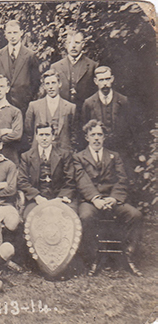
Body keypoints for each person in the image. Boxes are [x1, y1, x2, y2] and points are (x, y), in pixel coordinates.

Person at [73, 120, 142, 277]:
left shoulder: (114, 156)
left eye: (100, 135)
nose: (96, 138)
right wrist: (95, 198)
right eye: (93, 135)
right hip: (90, 201)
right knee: (86, 216)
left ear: (104, 137)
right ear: (87, 137)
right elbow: (81, 180)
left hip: (112, 199)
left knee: (135, 215)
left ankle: (128, 257)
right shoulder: (79, 157)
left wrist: (114, 198)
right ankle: (93, 259)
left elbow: (122, 179)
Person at [18, 122, 77, 220]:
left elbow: (70, 180)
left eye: (47, 135)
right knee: (29, 217)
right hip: (36, 199)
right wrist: (37, 197)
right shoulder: (27, 156)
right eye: (41, 135)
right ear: (36, 137)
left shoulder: (64, 155)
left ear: (53, 137)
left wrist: (60, 198)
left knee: (68, 217)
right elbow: (22, 181)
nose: (44, 138)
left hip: (59, 198)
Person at [80, 66, 133, 152]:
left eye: (107, 79)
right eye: (101, 80)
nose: (105, 83)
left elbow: (130, 128)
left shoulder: (123, 101)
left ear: (112, 79)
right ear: (95, 81)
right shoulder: (88, 103)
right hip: (98, 150)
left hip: (120, 150)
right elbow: (84, 130)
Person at [0, 20, 40, 113]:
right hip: (3, 105)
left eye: (15, 32)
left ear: (21, 33)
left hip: (24, 105)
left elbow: (35, 82)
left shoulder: (30, 55)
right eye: (9, 33)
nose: (12, 36)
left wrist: (28, 98)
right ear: (5, 34)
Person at [25, 69, 77, 152]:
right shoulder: (34, 106)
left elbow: (73, 132)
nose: (50, 87)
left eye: (53, 83)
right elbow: (28, 130)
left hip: (63, 151)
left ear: (59, 84)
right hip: (40, 151)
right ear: (44, 86)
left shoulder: (70, 107)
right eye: (47, 84)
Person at [51, 30, 98, 111]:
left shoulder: (92, 66)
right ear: (66, 45)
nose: (73, 46)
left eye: (77, 42)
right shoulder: (56, 67)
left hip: (85, 112)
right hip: (62, 112)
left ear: (83, 44)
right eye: (70, 43)